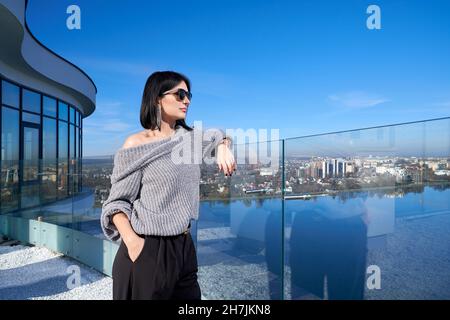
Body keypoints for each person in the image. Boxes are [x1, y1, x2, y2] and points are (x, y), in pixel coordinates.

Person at [100, 71, 236, 300]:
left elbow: (219, 134)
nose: (187, 101)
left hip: (184, 245)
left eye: (189, 94)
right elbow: (116, 203)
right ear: (157, 99)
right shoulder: (136, 144)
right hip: (148, 247)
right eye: (180, 94)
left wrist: (223, 145)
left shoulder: (190, 139)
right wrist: (134, 245)